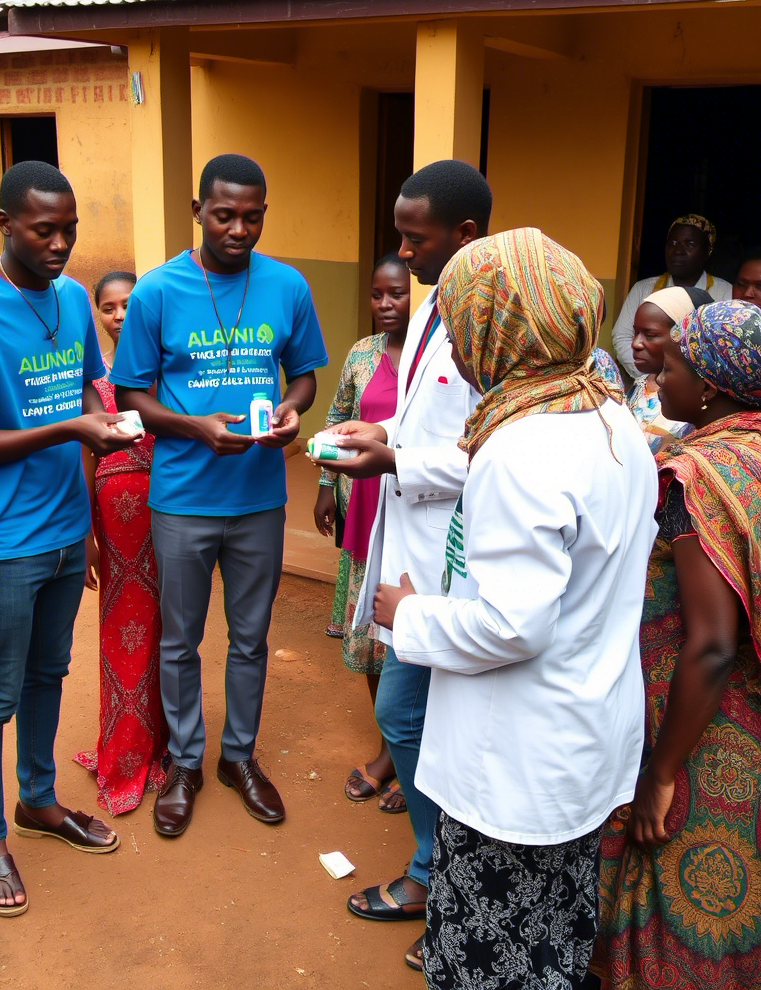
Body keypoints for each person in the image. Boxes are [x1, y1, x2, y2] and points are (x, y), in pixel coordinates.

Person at [371, 228, 658, 986]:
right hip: (586, 738)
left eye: (460, 321)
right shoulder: (610, 418)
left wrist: (409, 616)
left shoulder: (521, 447)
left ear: (496, 327)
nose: (456, 345)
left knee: (486, 958)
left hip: (521, 763)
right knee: (552, 941)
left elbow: (512, 625)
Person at [0, 161, 135, 917]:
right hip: (2, 540)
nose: (60, 244)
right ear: (5, 225)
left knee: (49, 673)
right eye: (44, 230)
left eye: (69, 230)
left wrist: (88, 486)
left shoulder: (74, 300)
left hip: (60, 526)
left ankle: (38, 802)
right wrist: (69, 426)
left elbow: (84, 385)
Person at [111, 153, 327, 838]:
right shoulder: (156, 292)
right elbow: (131, 396)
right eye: (226, 214)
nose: (240, 228)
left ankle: (239, 757)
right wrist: (195, 429)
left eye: (253, 216)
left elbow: (304, 377)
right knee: (180, 641)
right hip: (181, 495)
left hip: (259, 496)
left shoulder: (287, 286)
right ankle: (185, 765)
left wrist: (293, 411)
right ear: (199, 212)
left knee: (251, 638)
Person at [317, 160, 488, 957]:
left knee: (425, 719)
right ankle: (434, 865)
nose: (404, 253)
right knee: (399, 712)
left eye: (416, 240)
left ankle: (438, 873)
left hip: (459, 561)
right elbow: (424, 428)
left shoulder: (492, 331)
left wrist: (398, 464)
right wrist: (379, 439)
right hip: (406, 550)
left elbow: (492, 457)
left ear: (466, 236)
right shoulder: (426, 316)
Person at [596, 300, 761, 990]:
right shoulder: (751, 450)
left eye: (675, 363)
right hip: (746, 718)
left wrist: (660, 773)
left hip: (698, 724)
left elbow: (714, 643)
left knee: (679, 891)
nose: (660, 374)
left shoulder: (697, 480)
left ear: (715, 386)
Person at [313, 254, 410, 810]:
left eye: (395, 294)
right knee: (371, 634)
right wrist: (328, 485)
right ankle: (392, 745)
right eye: (377, 295)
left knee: (406, 631)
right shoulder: (361, 354)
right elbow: (338, 417)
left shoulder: (433, 354)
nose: (385, 305)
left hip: (412, 510)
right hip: (364, 510)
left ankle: (398, 752)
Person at [73, 269, 169, 815]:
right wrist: (87, 533)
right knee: (124, 631)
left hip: (168, 516)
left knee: (167, 632)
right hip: (117, 524)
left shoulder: (163, 375)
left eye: (129, 305)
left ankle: (166, 743)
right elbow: (86, 459)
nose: (119, 316)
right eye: (109, 307)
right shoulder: (95, 384)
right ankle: (126, 752)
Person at [613, 214, 731, 379]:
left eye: (689, 244)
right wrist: (649, 377)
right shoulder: (643, 289)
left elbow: (725, 349)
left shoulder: (725, 293)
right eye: (672, 243)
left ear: (708, 251)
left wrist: (686, 380)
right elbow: (622, 337)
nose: (678, 250)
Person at [627, 285, 712, 453]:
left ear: (684, 337)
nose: (635, 344)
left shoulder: (699, 396)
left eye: (650, 335)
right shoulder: (639, 386)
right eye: (635, 332)